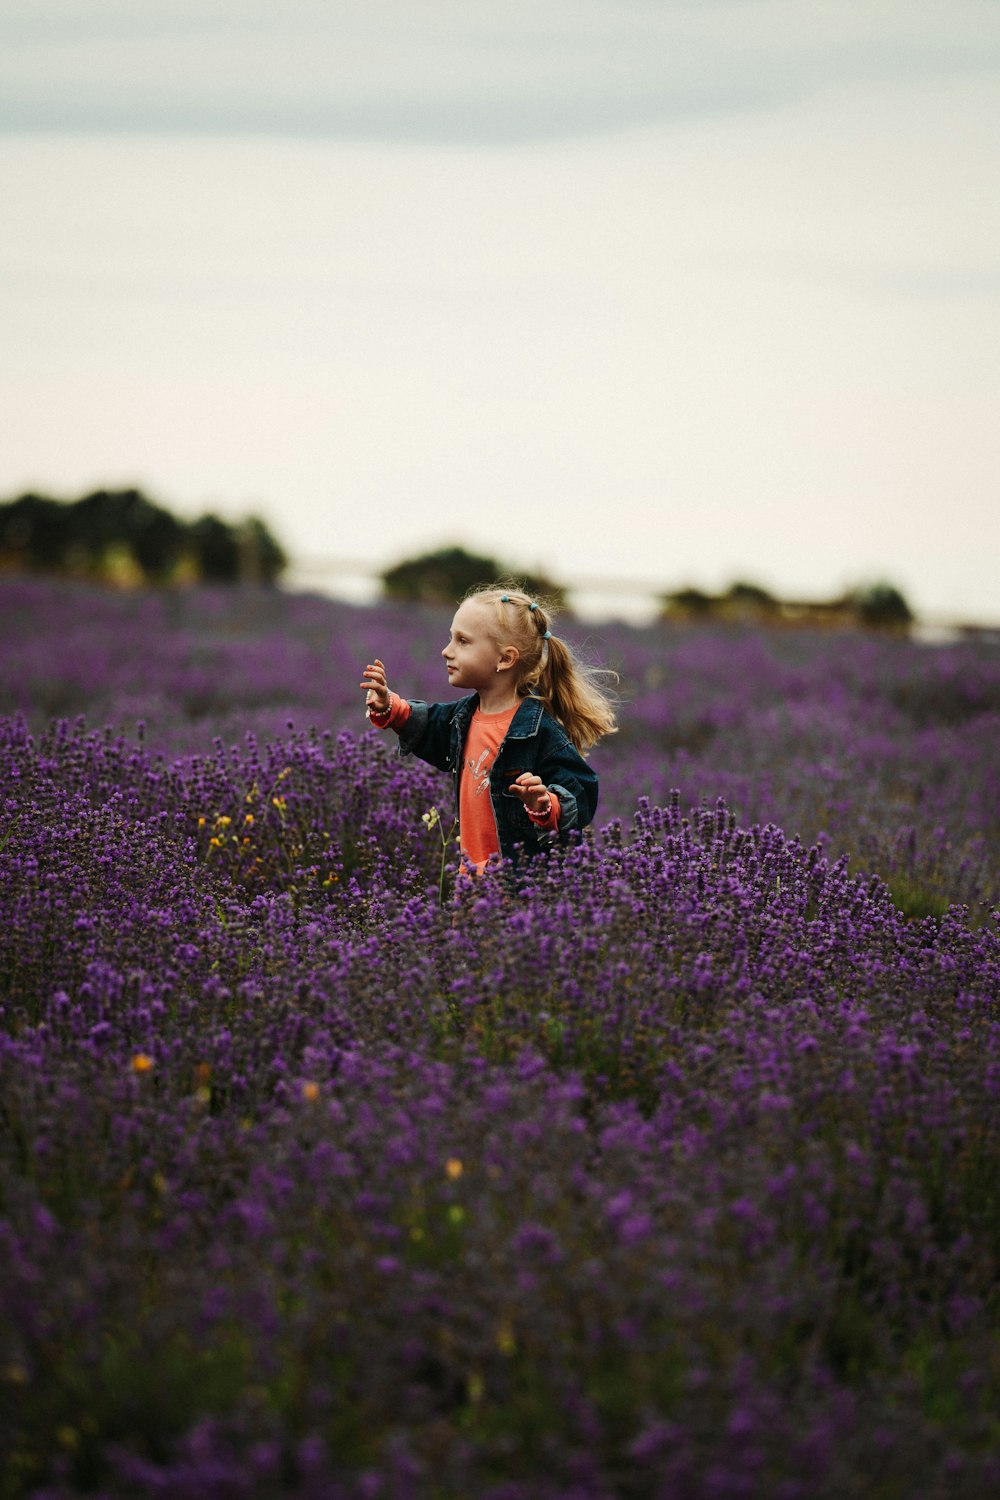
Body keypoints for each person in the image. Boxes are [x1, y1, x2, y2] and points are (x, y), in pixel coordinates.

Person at [360, 585, 617, 873]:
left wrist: (545, 805)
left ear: (505, 659)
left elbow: (580, 790)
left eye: (463, 641)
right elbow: (429, 725)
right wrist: (388, 706)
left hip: (522, 884)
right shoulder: (464, 716)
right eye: (451, 638)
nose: (446, 651)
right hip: (471, 876)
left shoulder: (538, 729)